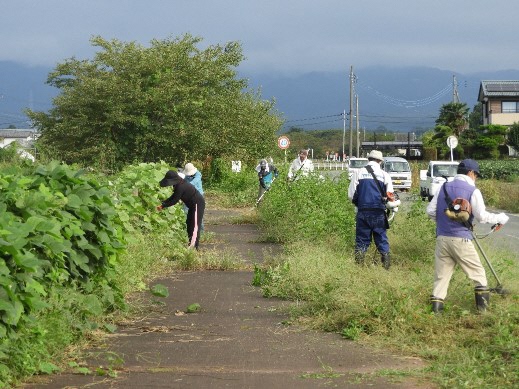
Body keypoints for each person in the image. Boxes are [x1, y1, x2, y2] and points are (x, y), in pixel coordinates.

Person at [426, 159, 509, 313]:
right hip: (461, 240)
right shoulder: (472, 190)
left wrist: (445, 221)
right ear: (471, 173)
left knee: (441, 278)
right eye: (476, 175)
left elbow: (430, 211)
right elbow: (482, 216)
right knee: (478, 275)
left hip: (442, 238)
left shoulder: (443, 187)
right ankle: (483, 314)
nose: (475, 178)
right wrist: (501, 218)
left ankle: (436, 313)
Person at [347, 150, 397, 269]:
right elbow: (391, 196)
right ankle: (386, 267)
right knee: (381, 239)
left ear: (369, 159)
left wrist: (359, 204)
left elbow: (351, 194)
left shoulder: (358, 172)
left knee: (361, 240)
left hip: (363, 211)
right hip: (379, 213)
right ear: (380, 161)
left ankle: (359, 268)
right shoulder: (385, 175)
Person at [157, 170, 205, 250]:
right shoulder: (179, 184)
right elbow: (173, 196)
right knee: (189, 223)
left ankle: (194, 247)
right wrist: (164, 202)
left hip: (197, 204)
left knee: (194, 225)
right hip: (192, 206)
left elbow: (174, 200)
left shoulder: (181, 186)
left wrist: (163, 206)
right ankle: (191, 243)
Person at [182, 162, 205, 232]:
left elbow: (193, 182)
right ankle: (187, 229)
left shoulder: (198, 174)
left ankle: (201, 231)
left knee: (198, 213)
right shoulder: (186, 176)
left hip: (198, 196)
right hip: (189, 196)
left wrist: (185, 186)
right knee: (185, 211)